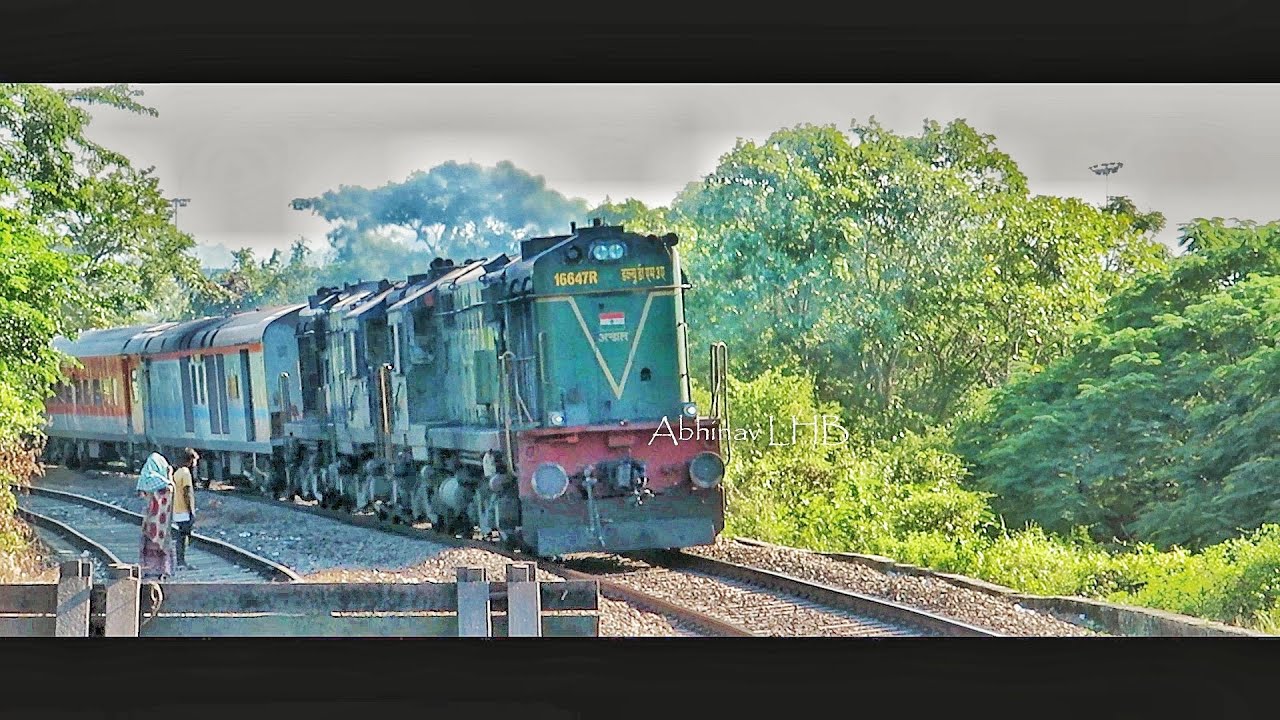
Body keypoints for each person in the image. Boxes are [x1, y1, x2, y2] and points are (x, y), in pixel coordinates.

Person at [136, 451, 175, 580]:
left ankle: (147, 570)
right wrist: (169, 475)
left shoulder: (145, 478)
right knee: (162, 548)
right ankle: (163, 570)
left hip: (149, 523)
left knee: (148, 548)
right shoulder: (165, 483)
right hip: (162, 527)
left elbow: (143, 496)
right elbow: (170, 490)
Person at [172, 448, 199, 571]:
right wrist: (191, 511)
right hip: (184, 510)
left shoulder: (177, 472)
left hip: (177, 509)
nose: (195, 463)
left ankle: (180, 561)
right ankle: (181, 562)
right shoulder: (186, 473)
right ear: (190, 459)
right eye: (194, 460)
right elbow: (187, 492)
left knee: (181, 536)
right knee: (184, 536)